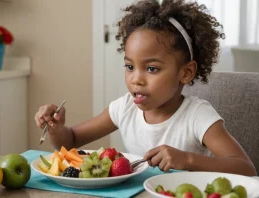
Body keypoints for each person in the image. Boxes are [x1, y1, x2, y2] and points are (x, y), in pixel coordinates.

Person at [34, 0, 257, 176]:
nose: (136, 79)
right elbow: (70, 140)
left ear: (185, 72)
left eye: (151, 69)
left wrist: (188, 160)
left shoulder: (198, 116)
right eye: (130, 66)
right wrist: (55, 128)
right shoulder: (124, 108)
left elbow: (246, 169)